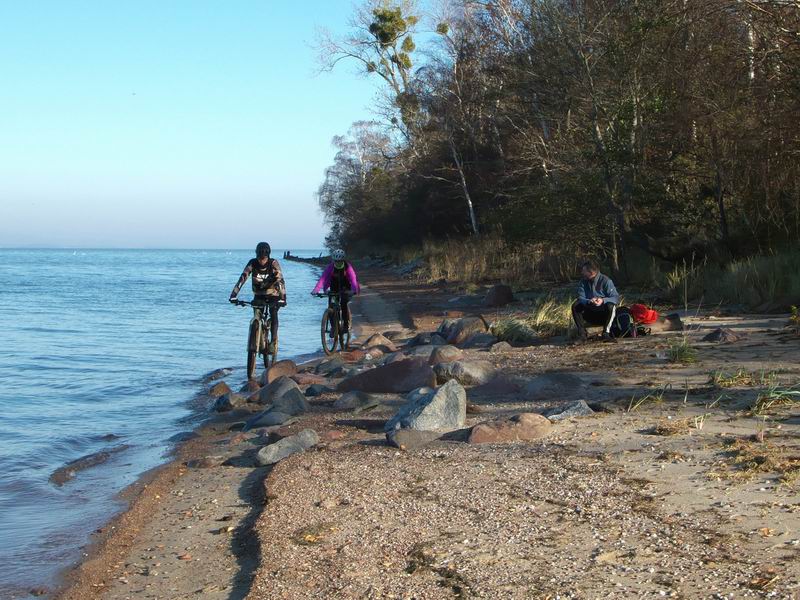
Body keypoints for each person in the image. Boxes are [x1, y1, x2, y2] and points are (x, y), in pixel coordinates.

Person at [229, 242, 285, 353]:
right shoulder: (252, 263)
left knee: (273, 314)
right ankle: (256, 340)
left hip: (273, 295)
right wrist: (233, 295)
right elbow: (242, 278)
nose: (261, 261)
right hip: (259, 295)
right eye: (259, 258)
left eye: (263, 259)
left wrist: (283, 298)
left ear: (268, 256)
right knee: (256, 316)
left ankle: (273, 342)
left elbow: (281, 281)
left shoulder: (273, 263)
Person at [311, 249, 360, 332]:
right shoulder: (330, 267)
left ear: (343, 260)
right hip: (334, 287)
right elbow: (323, 279)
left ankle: (345, 325)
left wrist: (354, 290)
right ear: (333, 260)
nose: (337, 263)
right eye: (336, 261)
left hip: (346, 288)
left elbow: (353, 279)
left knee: (343, 304)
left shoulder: (348, 267)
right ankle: (333, 327)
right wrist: (316, 290)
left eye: (340, 261)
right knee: (331, 306)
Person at [572, 259, 619, 342]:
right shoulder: (583, 282)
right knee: (576, 305)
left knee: (611, 306)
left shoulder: (606, 281)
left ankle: (606, 334)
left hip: (603, 315)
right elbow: (580, 297)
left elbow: (615, 298)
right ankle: (582, 335)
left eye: (584, 271)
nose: (582, 273)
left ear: (591, 272)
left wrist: (603, 300)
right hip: (590, 312)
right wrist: (588, 301)